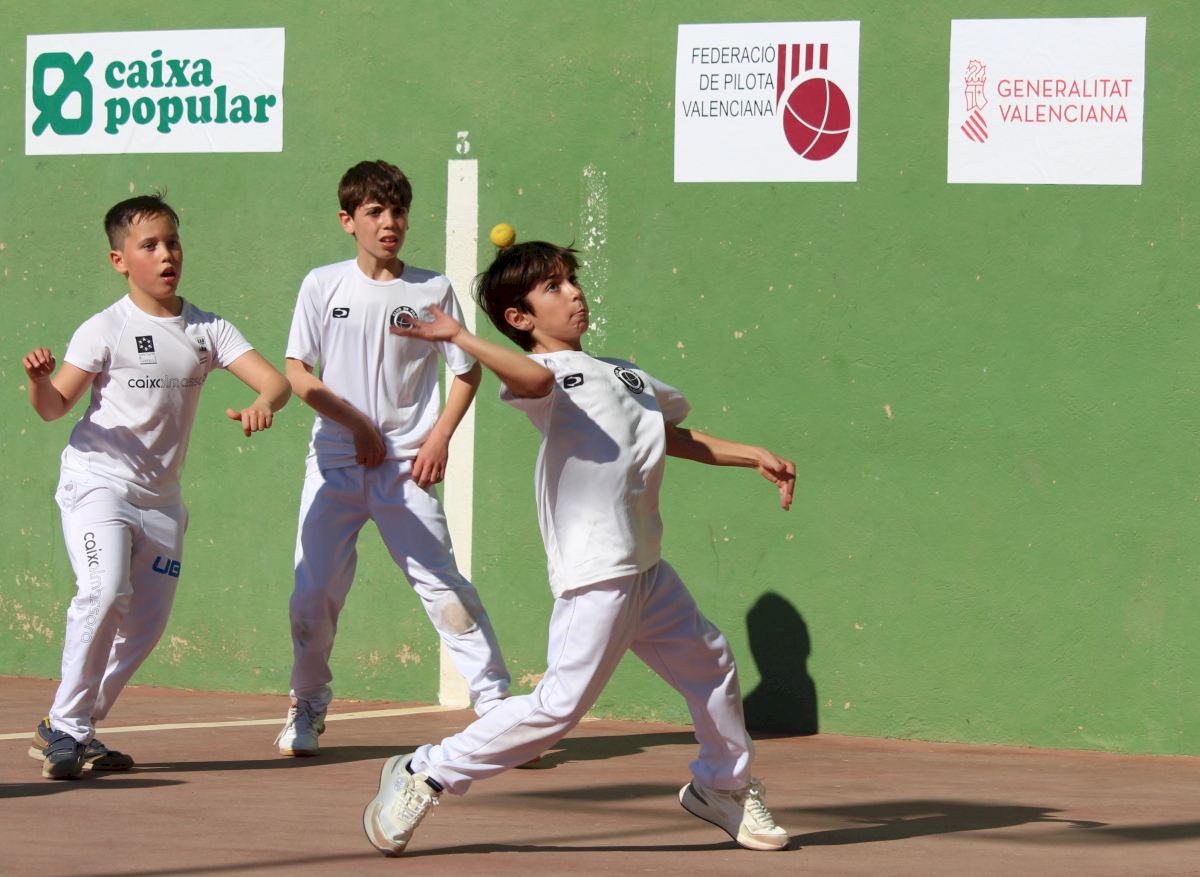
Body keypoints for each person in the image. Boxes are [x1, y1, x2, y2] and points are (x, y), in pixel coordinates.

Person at [363, 240, 796, 854]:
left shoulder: (621, 373)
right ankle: (424, 771)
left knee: (712, 664)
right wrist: (457, 336)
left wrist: (751, 455)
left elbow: (667, 434)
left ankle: (722, 786)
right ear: (520, 318)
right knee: (556, 710)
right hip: (597, 569)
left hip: (645, 567)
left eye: (571, 280)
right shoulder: (549, 378)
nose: (573, 293)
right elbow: (532, 376)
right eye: (553, 287)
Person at [22, 193, 292, 780]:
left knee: (144, 626)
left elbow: (276, 382)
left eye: (172, 242)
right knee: (104, 592)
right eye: (149, 246)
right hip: (98, 484)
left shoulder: (208, 328)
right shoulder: (105, 329)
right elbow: (53, 407)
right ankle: (66, 728)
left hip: (163, 501)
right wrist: (38, 382)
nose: (167, 255)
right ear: (119, 260)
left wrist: (262, 404)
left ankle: (73, 727)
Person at [277, 160, 510, 756]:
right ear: (347, 220)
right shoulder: (321, 285)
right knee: (312, 596)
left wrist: (439, 438)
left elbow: (466, 371)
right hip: (335, 464)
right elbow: (298, 373)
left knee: (446, 591)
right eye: (375, 212)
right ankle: (308, 701)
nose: (389, 223)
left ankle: (498, 708)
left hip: (405, 467)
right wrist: (355, 424)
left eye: (398, 211)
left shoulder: (432, 290)